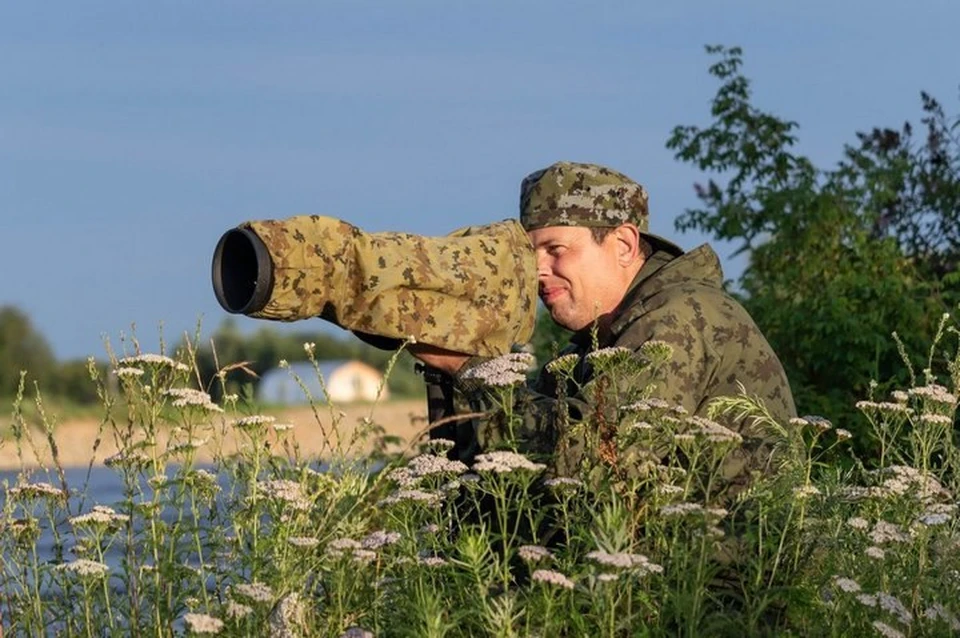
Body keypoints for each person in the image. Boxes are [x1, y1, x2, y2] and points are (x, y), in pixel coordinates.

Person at [412, 160, 797, 488]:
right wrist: (446, 365)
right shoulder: (598, 342)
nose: (538, 271)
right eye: (531, 255)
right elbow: (510, 458)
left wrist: (469, 368)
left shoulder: (682, 318)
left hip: (722, 568)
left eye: (555, 250)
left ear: (624, 245)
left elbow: (590, 461)